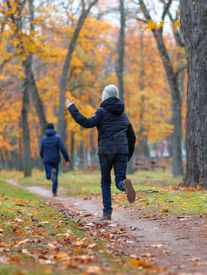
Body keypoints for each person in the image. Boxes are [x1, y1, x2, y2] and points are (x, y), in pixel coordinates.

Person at [65, 84, 136, 221]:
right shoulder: (123, 115)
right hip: (122, 150)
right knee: (119, 179)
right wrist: (127, 155)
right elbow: (132, 137)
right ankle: (124, 185)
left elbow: (86, 122)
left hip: (106, 151)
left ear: (104, 97)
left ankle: (107, 213)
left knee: (105, 181)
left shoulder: (101, 112)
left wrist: (72, 108)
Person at [40, 122, 69, 197]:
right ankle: (54, 191)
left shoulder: (44, 139)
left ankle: (50, 174)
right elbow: (63, 149)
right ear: (53, 128)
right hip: (55, 159)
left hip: (47, 160)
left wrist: (43, 157)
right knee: (55, 175)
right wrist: (67, 159)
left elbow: (41, 151)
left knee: (48, 175)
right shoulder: (57, 137)